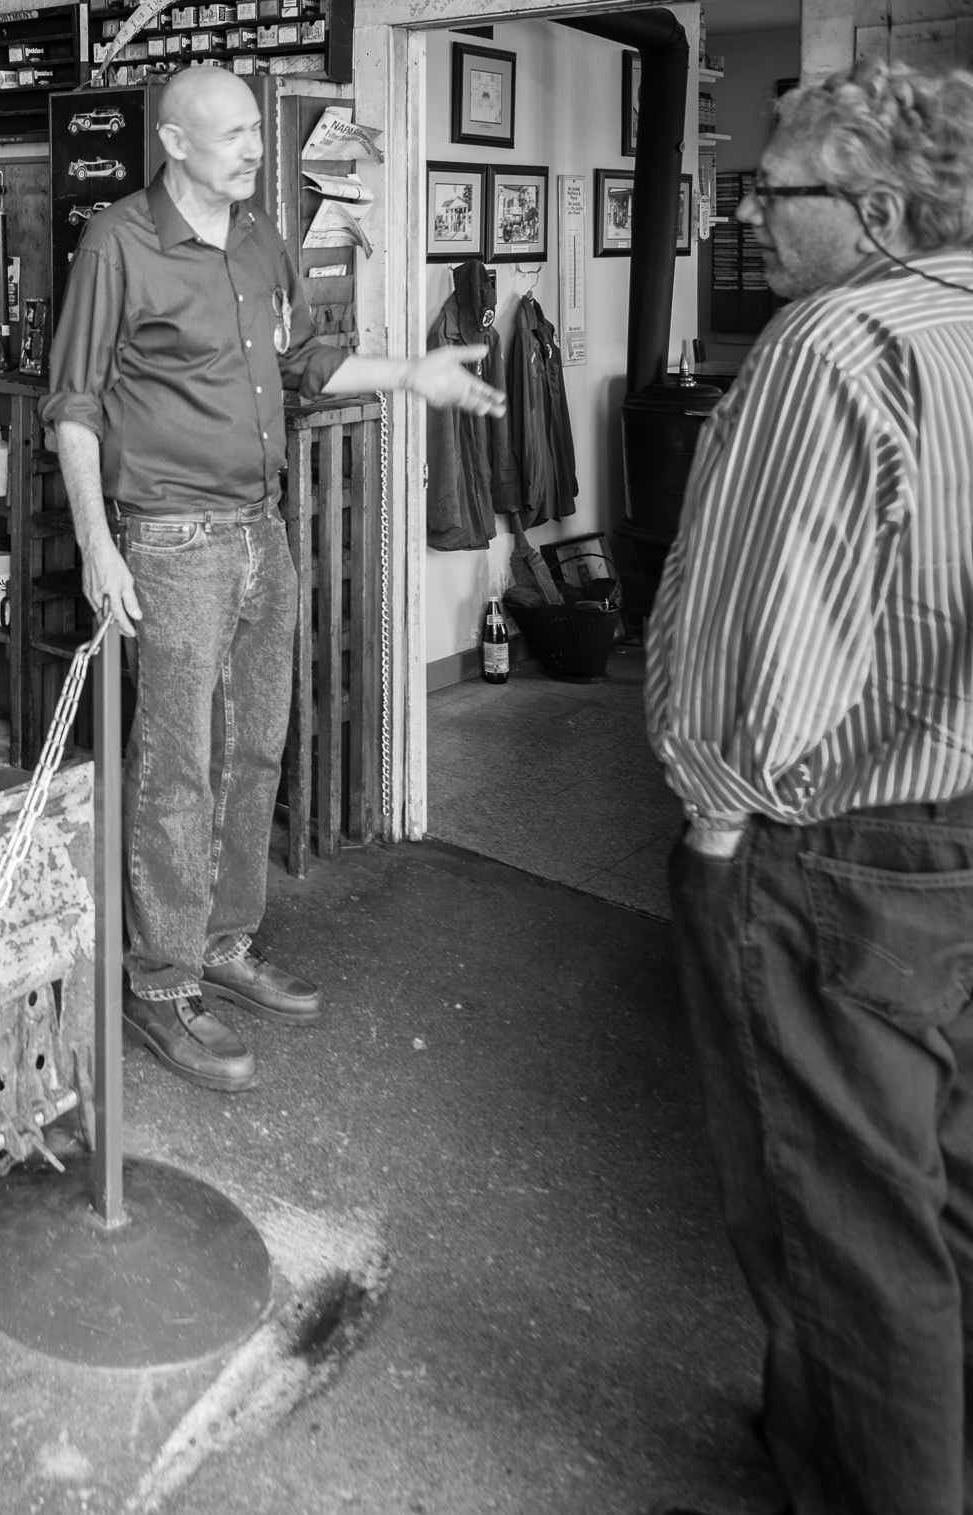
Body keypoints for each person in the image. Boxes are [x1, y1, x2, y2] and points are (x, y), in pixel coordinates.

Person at [646, 59, 973, 1515]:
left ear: (878, 209)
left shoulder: (834, 342)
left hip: (835, 852)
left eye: (768, 190)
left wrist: (715, 816)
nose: (742, 214)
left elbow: (758, 648)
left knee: (843, 1224)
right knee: (945, 1196)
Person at [44, 65, 503, 1092]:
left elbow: (299, 364)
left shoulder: (259, 237)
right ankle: (160, 981)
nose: (255, 148)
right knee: (177, 767)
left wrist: (411, 375)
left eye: (257, 130)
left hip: (262, 532)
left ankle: (220, 943)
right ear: (174, 142)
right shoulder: (118, 242)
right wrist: (97, 544)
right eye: (234, 134)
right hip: (170, 542)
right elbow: (73, 404)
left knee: (254, 749)